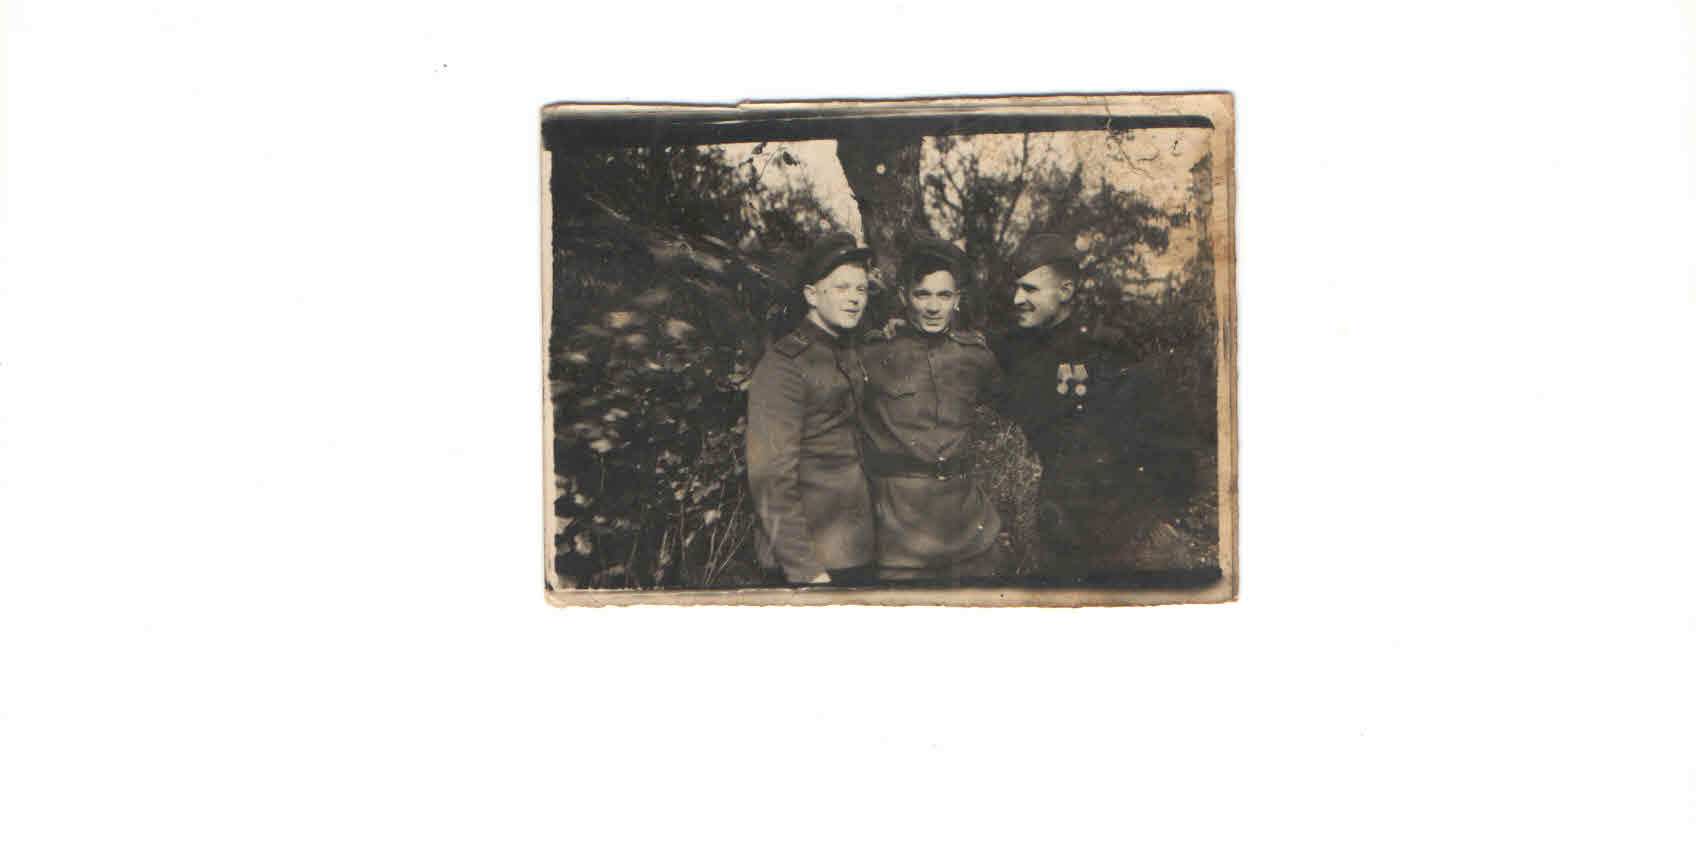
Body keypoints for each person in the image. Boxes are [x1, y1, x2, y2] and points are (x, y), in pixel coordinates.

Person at [993, 233, 1203, 585]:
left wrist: (1162, 518)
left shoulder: (1108, 348)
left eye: (1029, 289)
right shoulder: (1018, 349)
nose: (1017, 299)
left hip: (1126, 532)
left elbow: (1168, 437)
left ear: (1065, 291)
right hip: (1060, 527)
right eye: (1016, 288)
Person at [858, 238, 1003, 586]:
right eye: (923, 295)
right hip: (901, 528)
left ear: (957, 299)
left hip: (967, 524)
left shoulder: (976, 356)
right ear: (904, 296)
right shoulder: (873, 354)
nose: (934, 307)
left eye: (944, 295)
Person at [745, 232, 878, 586]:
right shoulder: (784, 366)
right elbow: (770, 479)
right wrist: (806, 570)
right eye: (841, 288)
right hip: (809, 562)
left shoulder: (846, 352)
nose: (854, 298)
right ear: (811, 295)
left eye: (861, 289)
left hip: (854, 552)